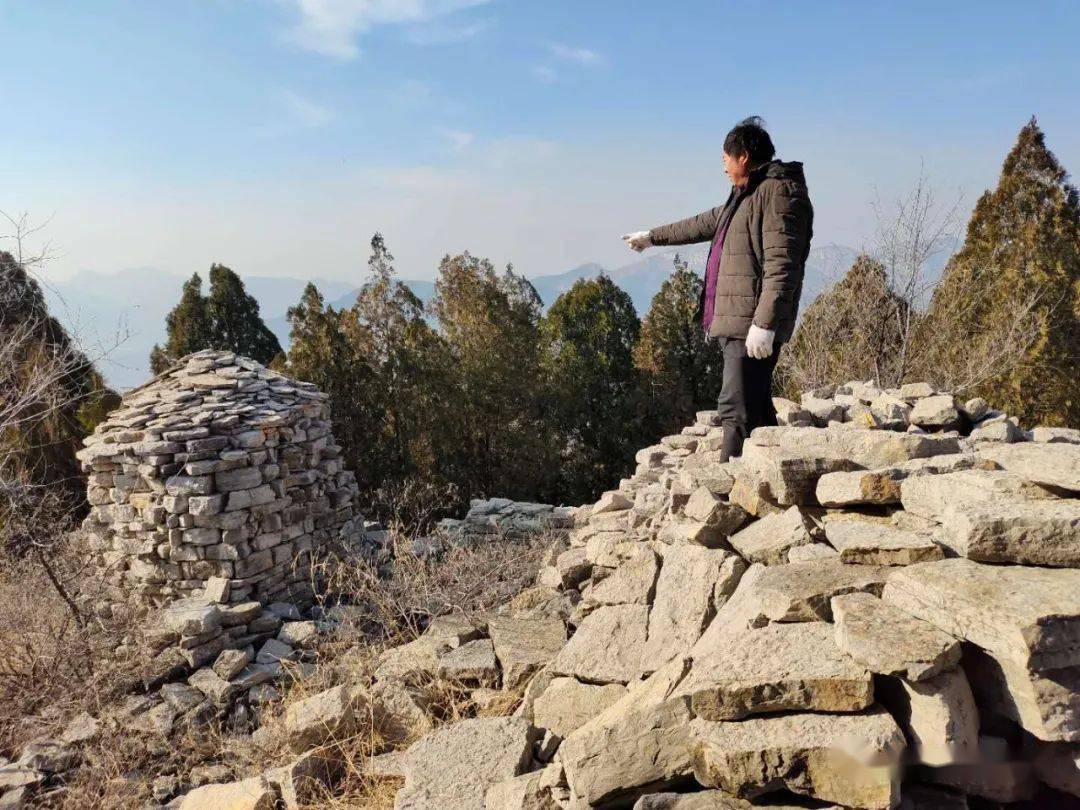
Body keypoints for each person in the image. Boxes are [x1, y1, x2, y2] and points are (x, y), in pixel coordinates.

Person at [623, 117, 813, 462]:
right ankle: (778, 477)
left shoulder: (779, 194)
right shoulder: (745, 194)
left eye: (726, 157)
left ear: (742, 156)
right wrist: (652, 237)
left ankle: (725, 491)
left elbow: (782, 264)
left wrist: (765, 323)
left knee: (736, 406)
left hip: (751, 323)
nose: (723, 165)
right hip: (740, 320)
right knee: (754, 404)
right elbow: (701, 223)